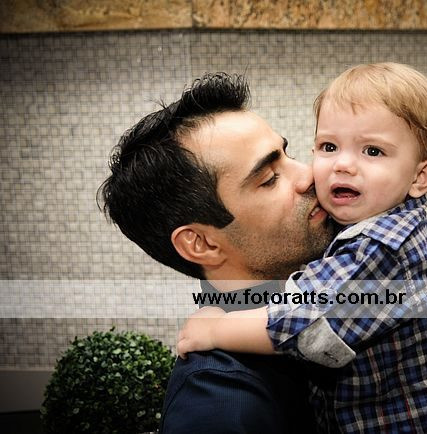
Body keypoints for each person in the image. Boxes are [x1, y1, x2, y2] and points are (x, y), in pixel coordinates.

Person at [177, 63, 427, 432]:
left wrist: (215, 330)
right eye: (328, 146)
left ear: (421, 176)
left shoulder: (381, 247)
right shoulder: (216, 398)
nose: (342, 165)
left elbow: (301, 320)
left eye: (373, 151)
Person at [98, 72, 334, 433]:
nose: (310, 175)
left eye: (288, 155)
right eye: (269, 179)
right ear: (203, 243)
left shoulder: (329, 299)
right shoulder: (221, 404)